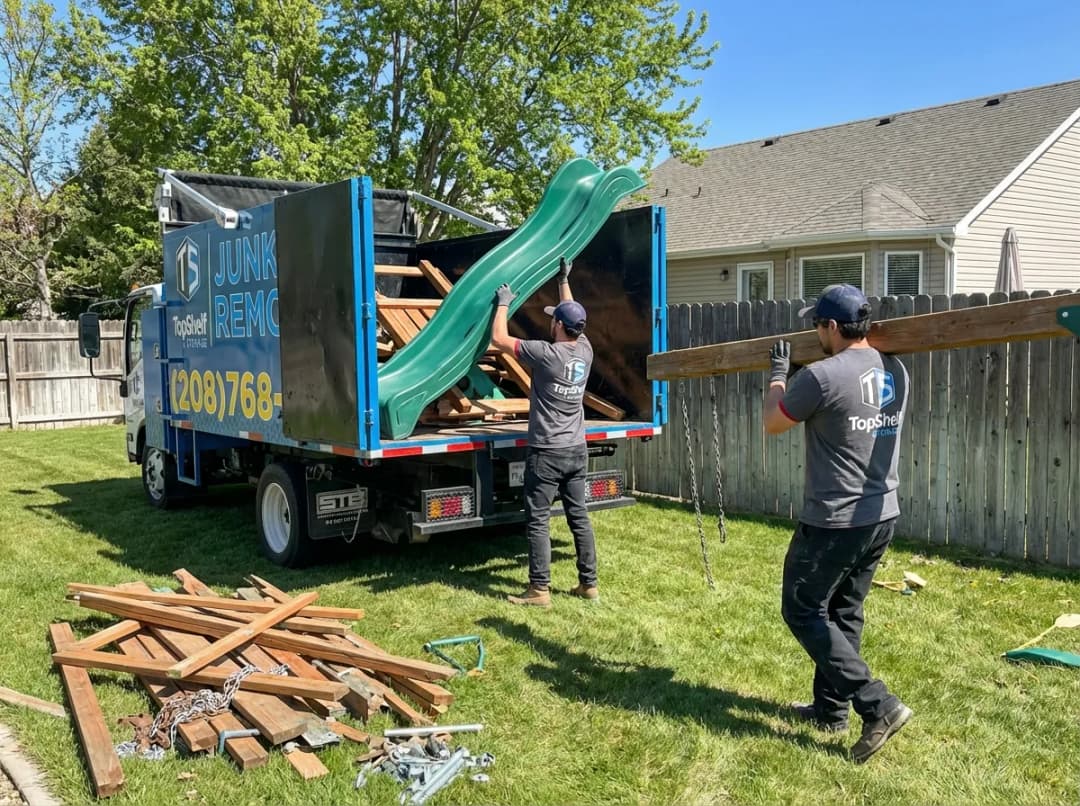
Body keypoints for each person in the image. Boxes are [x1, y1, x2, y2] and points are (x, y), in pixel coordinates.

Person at [763, 283, 912, 764]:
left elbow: (773, 422)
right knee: (845, 611)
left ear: (830, 327)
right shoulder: (896, 369)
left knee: (803, 608)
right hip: (881, 513)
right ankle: (831, 712)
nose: (814, 332)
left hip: (836, 518)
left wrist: (778, 376)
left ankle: (878, 704)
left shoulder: (821, 377)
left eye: (816, 324)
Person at [489, 257, 598, 607]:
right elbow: (571, 313)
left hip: (547, 452)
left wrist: (503, 302)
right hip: (576, 449)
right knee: (578, 516)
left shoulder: (545, 354)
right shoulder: (586, 349)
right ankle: (589, 584)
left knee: (538, 520)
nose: (551, 320)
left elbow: (499, 338)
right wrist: (564, 280)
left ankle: (539, 590)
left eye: (554, 318)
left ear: (558, 326)